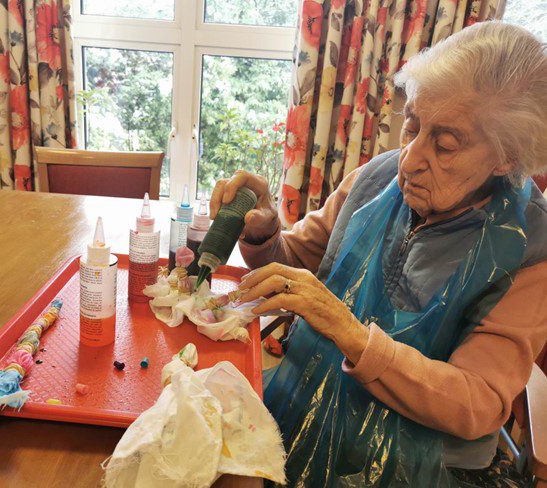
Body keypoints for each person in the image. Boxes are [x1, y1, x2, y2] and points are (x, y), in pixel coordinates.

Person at [210, 21, 547, 486]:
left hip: (417, 466)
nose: (409, 159)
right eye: (412, 126)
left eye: (445, 145)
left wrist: (351, 333)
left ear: (506, 157)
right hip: (306, 407)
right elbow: (291, 267)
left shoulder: (529, 247)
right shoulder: (378, 178)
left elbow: (478, 403)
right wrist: (264, 230)